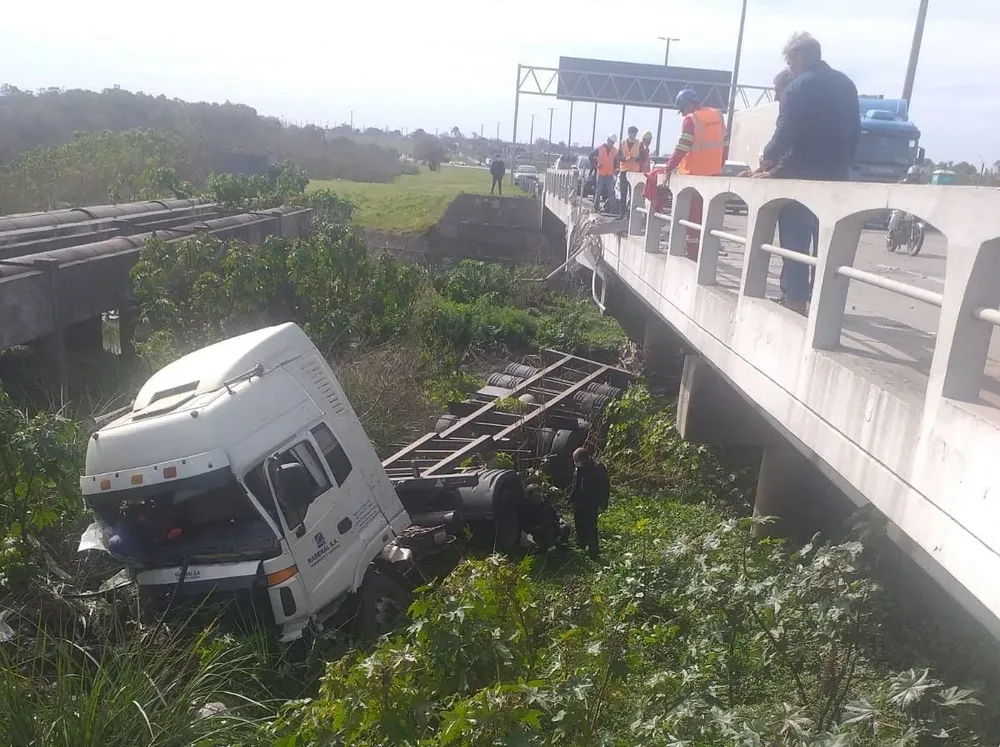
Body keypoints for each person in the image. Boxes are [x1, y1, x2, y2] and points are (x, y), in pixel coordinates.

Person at [759, 32, 860, 314]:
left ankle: (796, 300)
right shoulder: (847, 85)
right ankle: (823, 303)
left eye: (791, 63)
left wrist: (768, 157)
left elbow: (785, 132)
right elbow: (855, 133)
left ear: (800, 58)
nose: (790, 69)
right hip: (837, 178)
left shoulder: (798, 87)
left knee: (795, 244)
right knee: (828, 245)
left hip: (800, 178)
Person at [661, 89, 727, 260]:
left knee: (692, 217)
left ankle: (692, 253)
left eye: (682, 109)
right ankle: (707, 252)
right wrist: (720, 164)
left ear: (688, 104)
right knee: (709, 216)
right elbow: (725, 145)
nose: (682, 113)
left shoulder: (691, 120)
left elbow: (682, 147)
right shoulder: (717, 116)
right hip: (714, 175)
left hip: (694, 176)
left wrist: (668, 167)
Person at [568, 447, 610, 559]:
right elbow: (575, 483)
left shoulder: (598, 469)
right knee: (579, 524)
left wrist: (602, 505)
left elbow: (605, 488)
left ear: (585, 460)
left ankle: (594, 552)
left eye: (577, 462)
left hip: (591, 503)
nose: (575, 464)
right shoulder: (578, 469)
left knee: (591, 527)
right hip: (579, 501)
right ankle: (581, 544)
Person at [886, 165, 924, 246]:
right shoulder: (903, 183)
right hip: (901, 205)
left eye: (916, 175)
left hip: (914, 206)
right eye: (913, 175)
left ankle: (916, 234)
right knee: (897, 214)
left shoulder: (921, 185)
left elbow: (925, 195)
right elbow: (895, 191)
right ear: (909, 175)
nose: (915, 177)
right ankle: (890, 232)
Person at [589, 134, 618, 213]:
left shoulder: (615, 150)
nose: (611, 144)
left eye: (613, 142)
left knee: (611, 192)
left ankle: (614, 209)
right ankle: (596, 207)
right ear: (607, 140)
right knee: (598, 191)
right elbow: (590, 156)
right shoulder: (600, 149)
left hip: (610, 174)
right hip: (601, 173)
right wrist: (595, 165)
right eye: (611, 142)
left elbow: (616, 161)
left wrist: (616, 169)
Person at [618, 125, 642, 218]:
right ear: (628, 133)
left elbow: (642, 158)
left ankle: (630, 214)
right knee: (623, 193)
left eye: (634, 134)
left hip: (634, 172)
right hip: (624, 171)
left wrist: (635, 159)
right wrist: (624, 158)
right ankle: (622, 214)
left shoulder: (639, 144)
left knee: (632, 194)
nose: (633, 136)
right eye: (631, 134)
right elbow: (618, 157)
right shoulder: (622, 143)